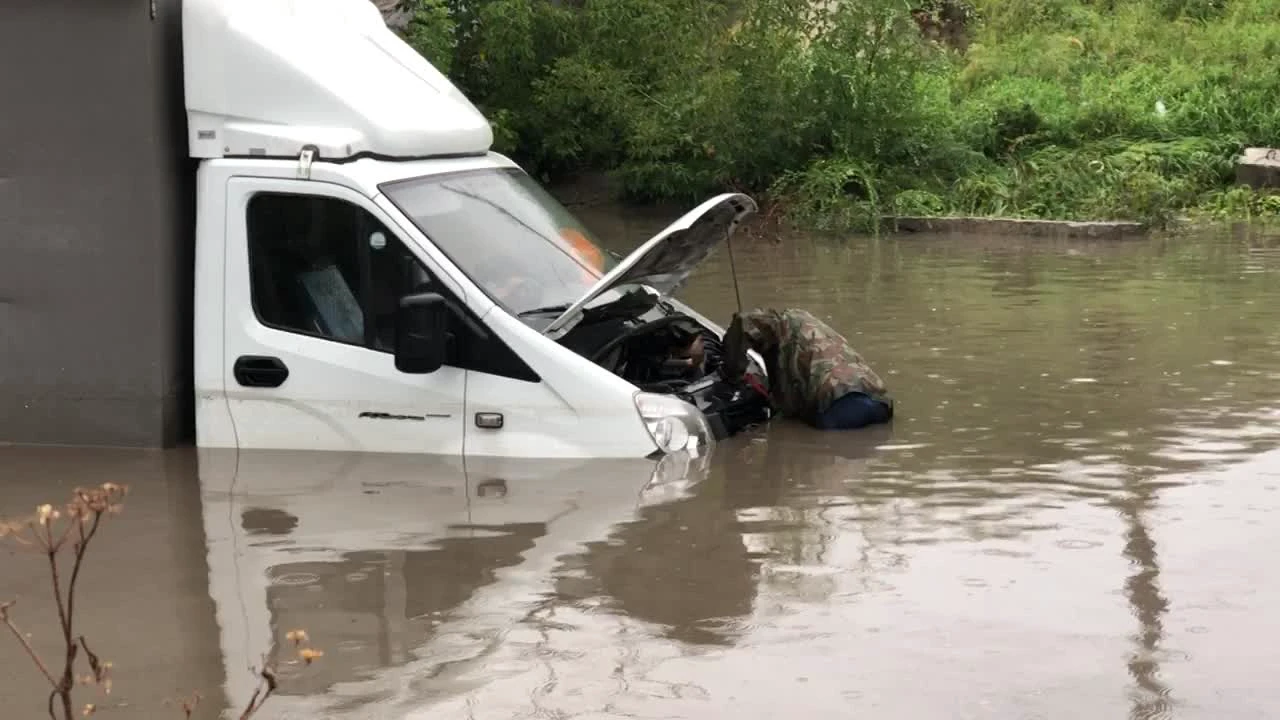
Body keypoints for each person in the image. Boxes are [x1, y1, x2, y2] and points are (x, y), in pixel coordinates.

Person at [719, 308, 894, 430]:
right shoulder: (812, 328)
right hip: (879, 402)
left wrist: (732, 373)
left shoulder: (779, 330)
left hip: (839, 406)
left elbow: (743, 322)